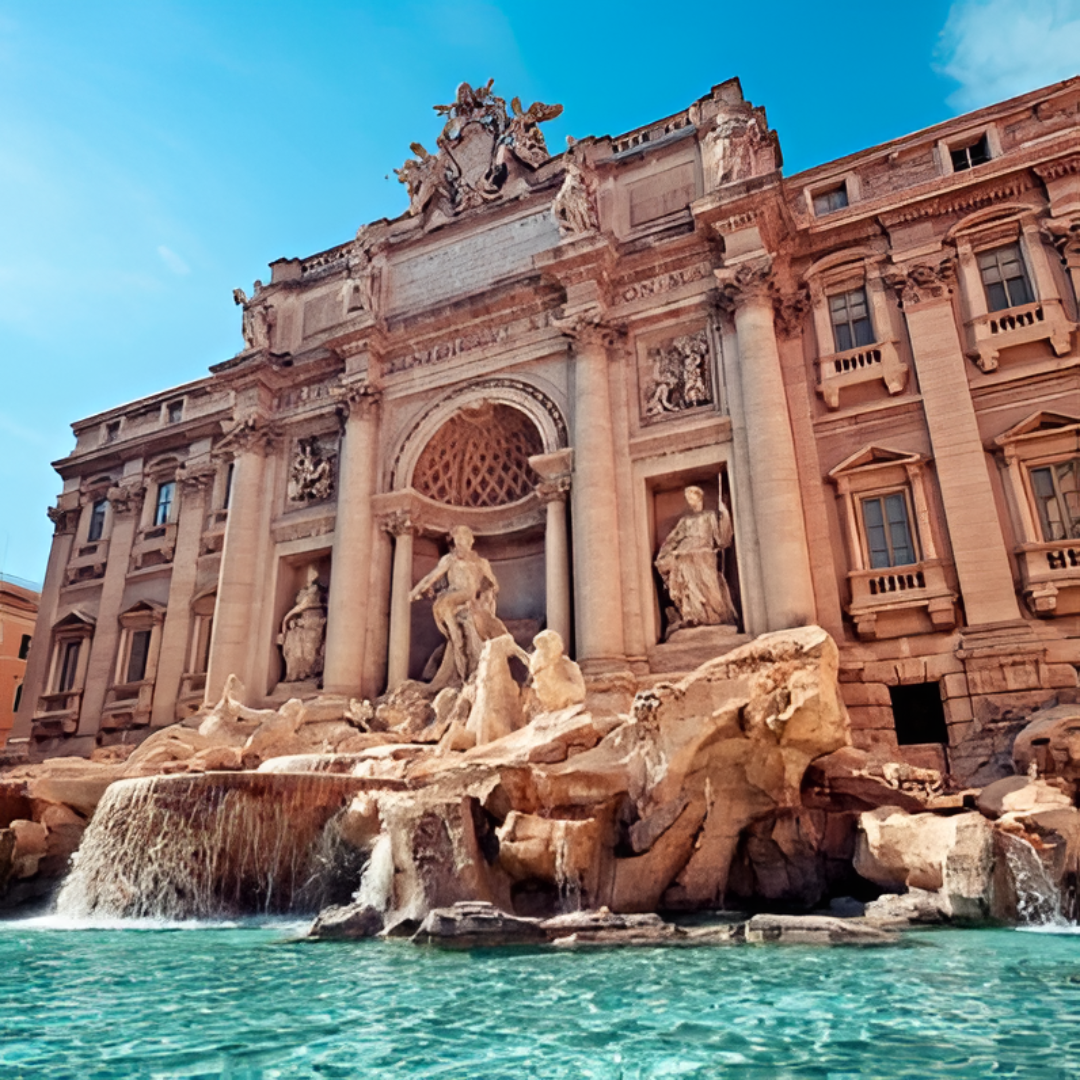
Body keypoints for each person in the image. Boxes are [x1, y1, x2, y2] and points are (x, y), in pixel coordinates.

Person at [409, 525, 507, 684]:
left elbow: (494, 585)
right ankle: (461, 679)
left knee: (469, 635)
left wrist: (486, 594)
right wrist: (414, 592)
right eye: (457, 540)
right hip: (453, 600)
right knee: (456, 638)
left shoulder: (482, 563)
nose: (460, 543)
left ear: (471, 540)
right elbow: (431, 578)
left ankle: (470, 676)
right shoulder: (449, 559)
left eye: (463, 539)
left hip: (471, 604)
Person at [655, 486, 738, 636]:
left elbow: (721, 539)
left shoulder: (710, 516)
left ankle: (712, 616)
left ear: (700, 497)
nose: (690, 500)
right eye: (688, 498)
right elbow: (673, 539)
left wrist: (724, 514)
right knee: (685, 576)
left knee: (707, 582)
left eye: (692, 497)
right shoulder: (685, 521)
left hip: (704, 551)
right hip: (686, 550)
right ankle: (692, 614)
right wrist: (666, 554)